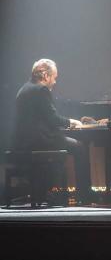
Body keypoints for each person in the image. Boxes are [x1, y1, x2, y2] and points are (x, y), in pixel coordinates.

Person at [14, 58, 97, 204]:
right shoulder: (41, 90)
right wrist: (71, 122)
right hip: (41, 140)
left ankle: (53, 190)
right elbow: (52, 118)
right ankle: (84, 194)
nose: (55, 81)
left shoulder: (24, 89)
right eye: (54, 77)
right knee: (80, 148)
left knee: (70, 144)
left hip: (24, 141)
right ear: (46, 76)